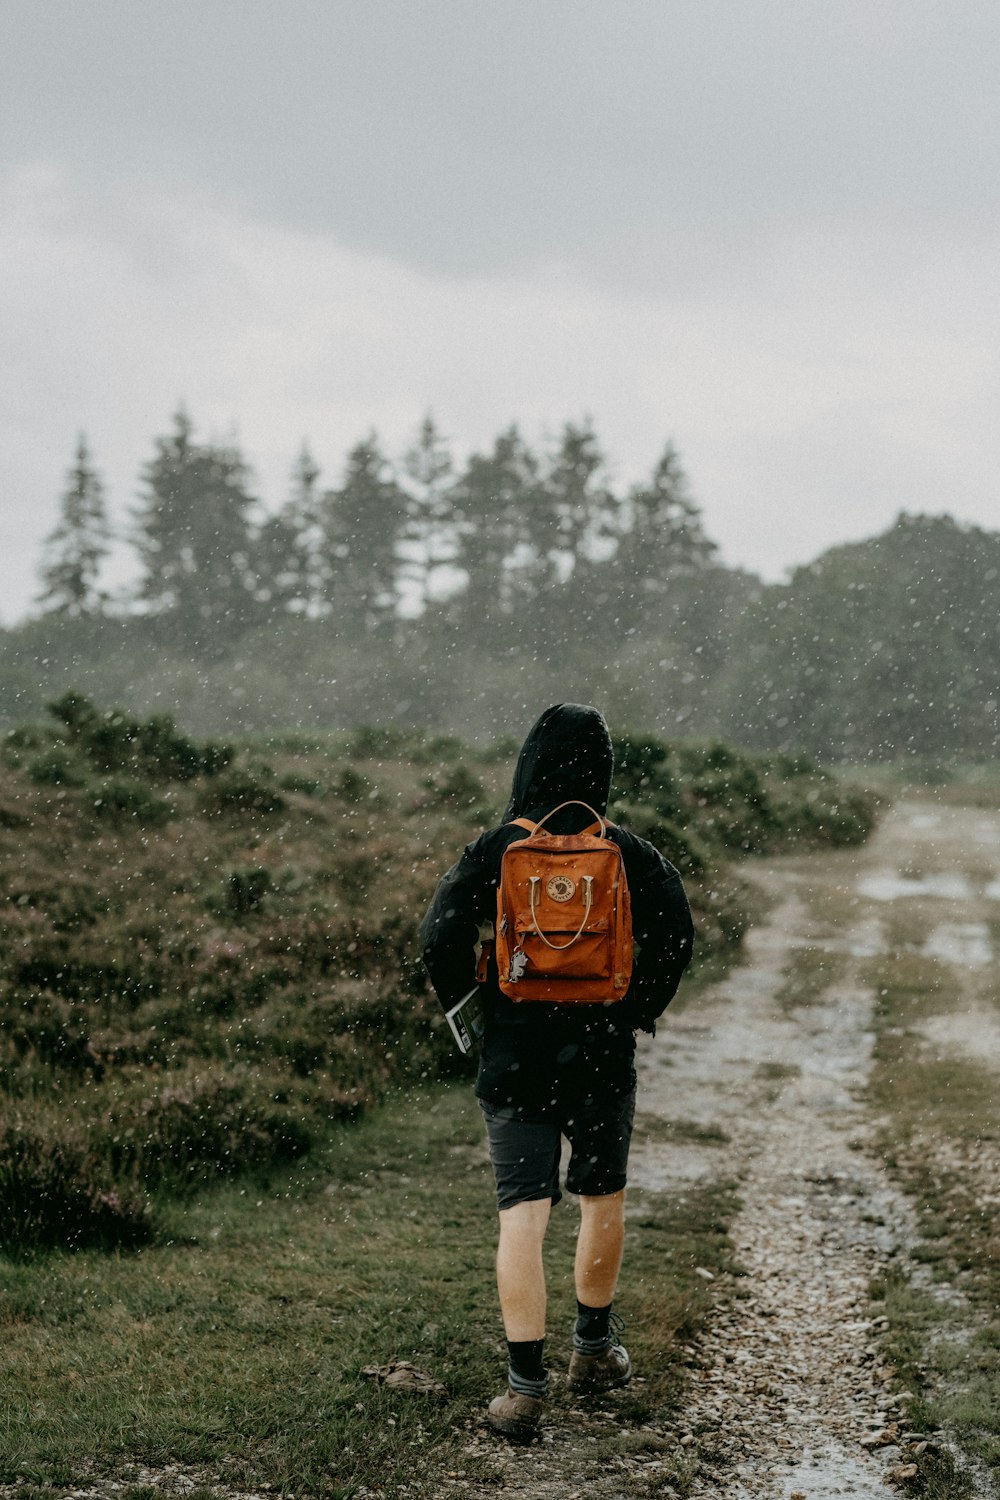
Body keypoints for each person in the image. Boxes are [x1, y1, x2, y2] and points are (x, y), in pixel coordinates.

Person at [420, 703, 694, 1443]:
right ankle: (595, 1352)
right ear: (601, 770)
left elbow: (440, 931)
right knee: (601, 1198)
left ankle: (523, 1391)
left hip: (514, 1052)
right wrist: (637, 1007)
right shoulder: (629, 850)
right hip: (601, 1050)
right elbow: (677, 933)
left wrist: (471, 1013)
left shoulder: (497, 847)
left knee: (522, 1214)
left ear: (528, 764)